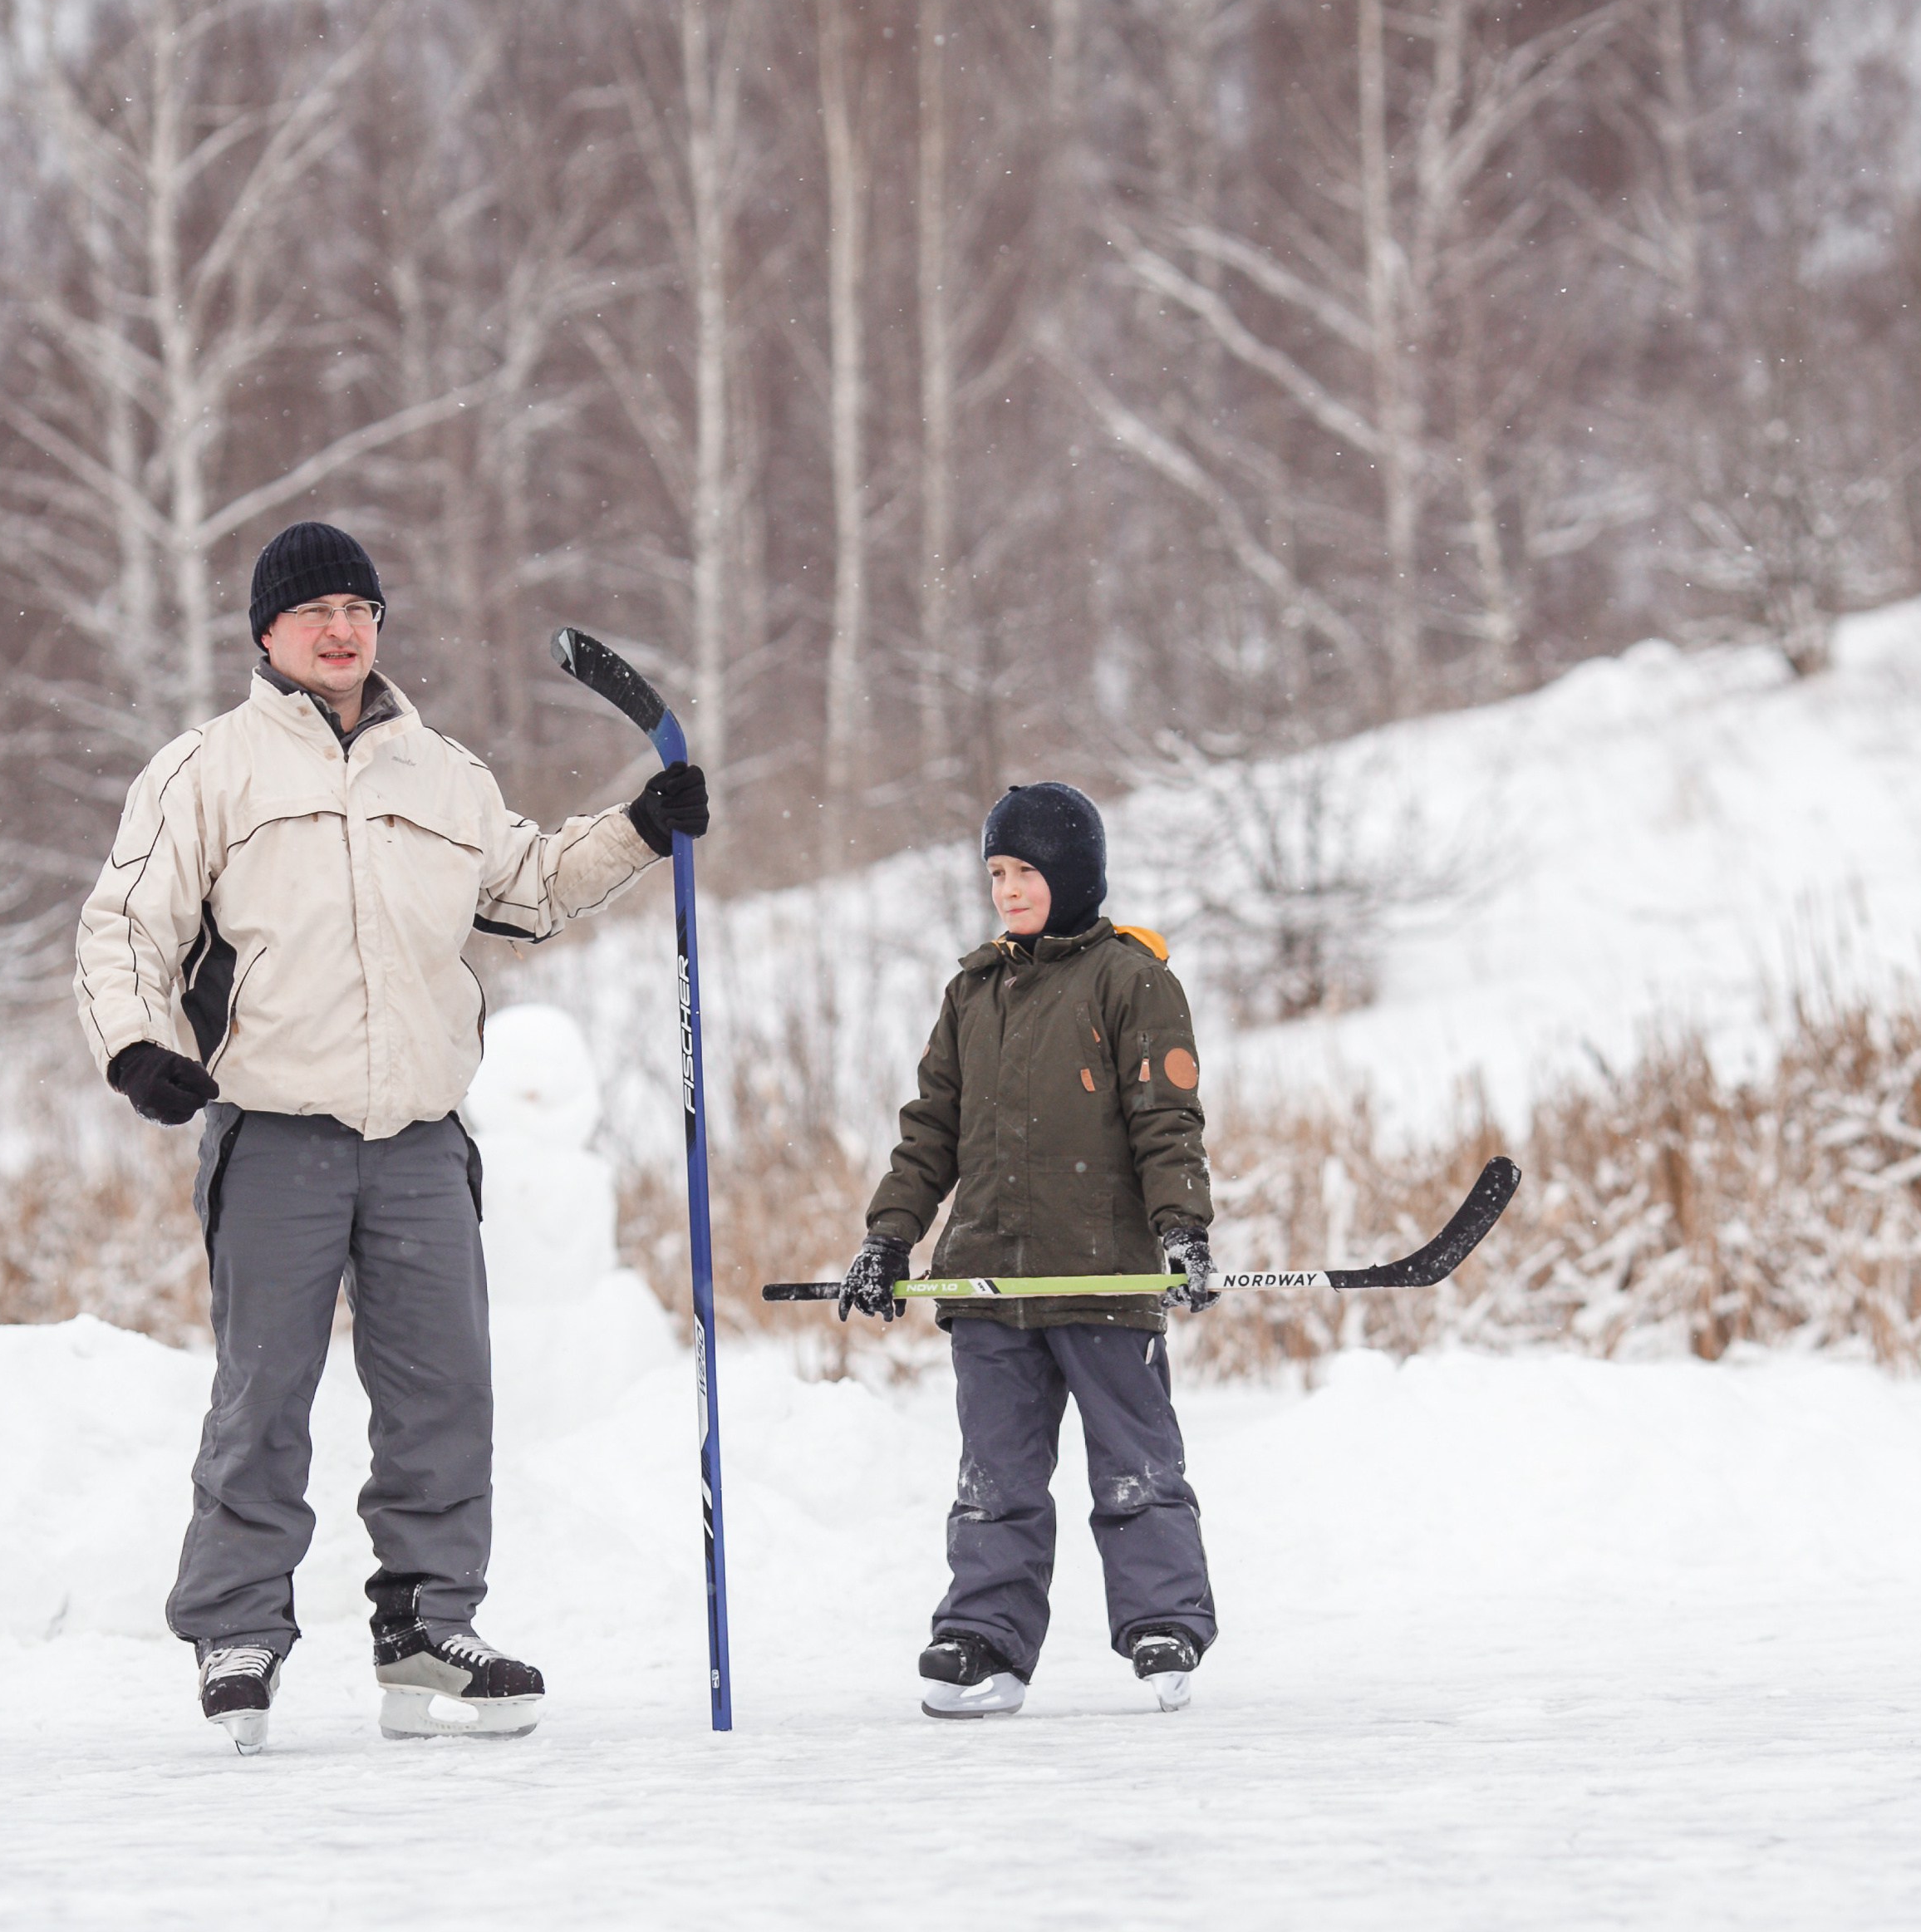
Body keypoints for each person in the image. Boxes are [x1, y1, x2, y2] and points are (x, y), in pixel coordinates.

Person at [73, 519, 707, 1752]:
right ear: (266, 633)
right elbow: (125, 926)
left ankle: (426, 1628)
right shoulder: (206, 770)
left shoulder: (444, 774)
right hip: (275, 1131)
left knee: (443, 1399)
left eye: (358, 610)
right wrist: (138, 1046)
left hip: (419, 1136)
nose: (341, 629)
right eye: (315, 612)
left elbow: (528, 886)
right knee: (266, 1395)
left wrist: (637, 827)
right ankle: (238, 1629)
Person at [838, 779, 1218, 1718]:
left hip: (1100, 1274)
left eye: (1025, 871)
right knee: (993, 1480)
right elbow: (929, 1130)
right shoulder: (972, 992)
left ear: (1074, 871)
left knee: (1135, 1465)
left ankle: (1163, 1622)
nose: (1006, 889)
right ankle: (982, 1639)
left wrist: (1181, 1229)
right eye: (996, 872)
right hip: (987, 1279)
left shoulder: (1130, 980)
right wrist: (889, 1237)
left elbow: (1165, 1119)